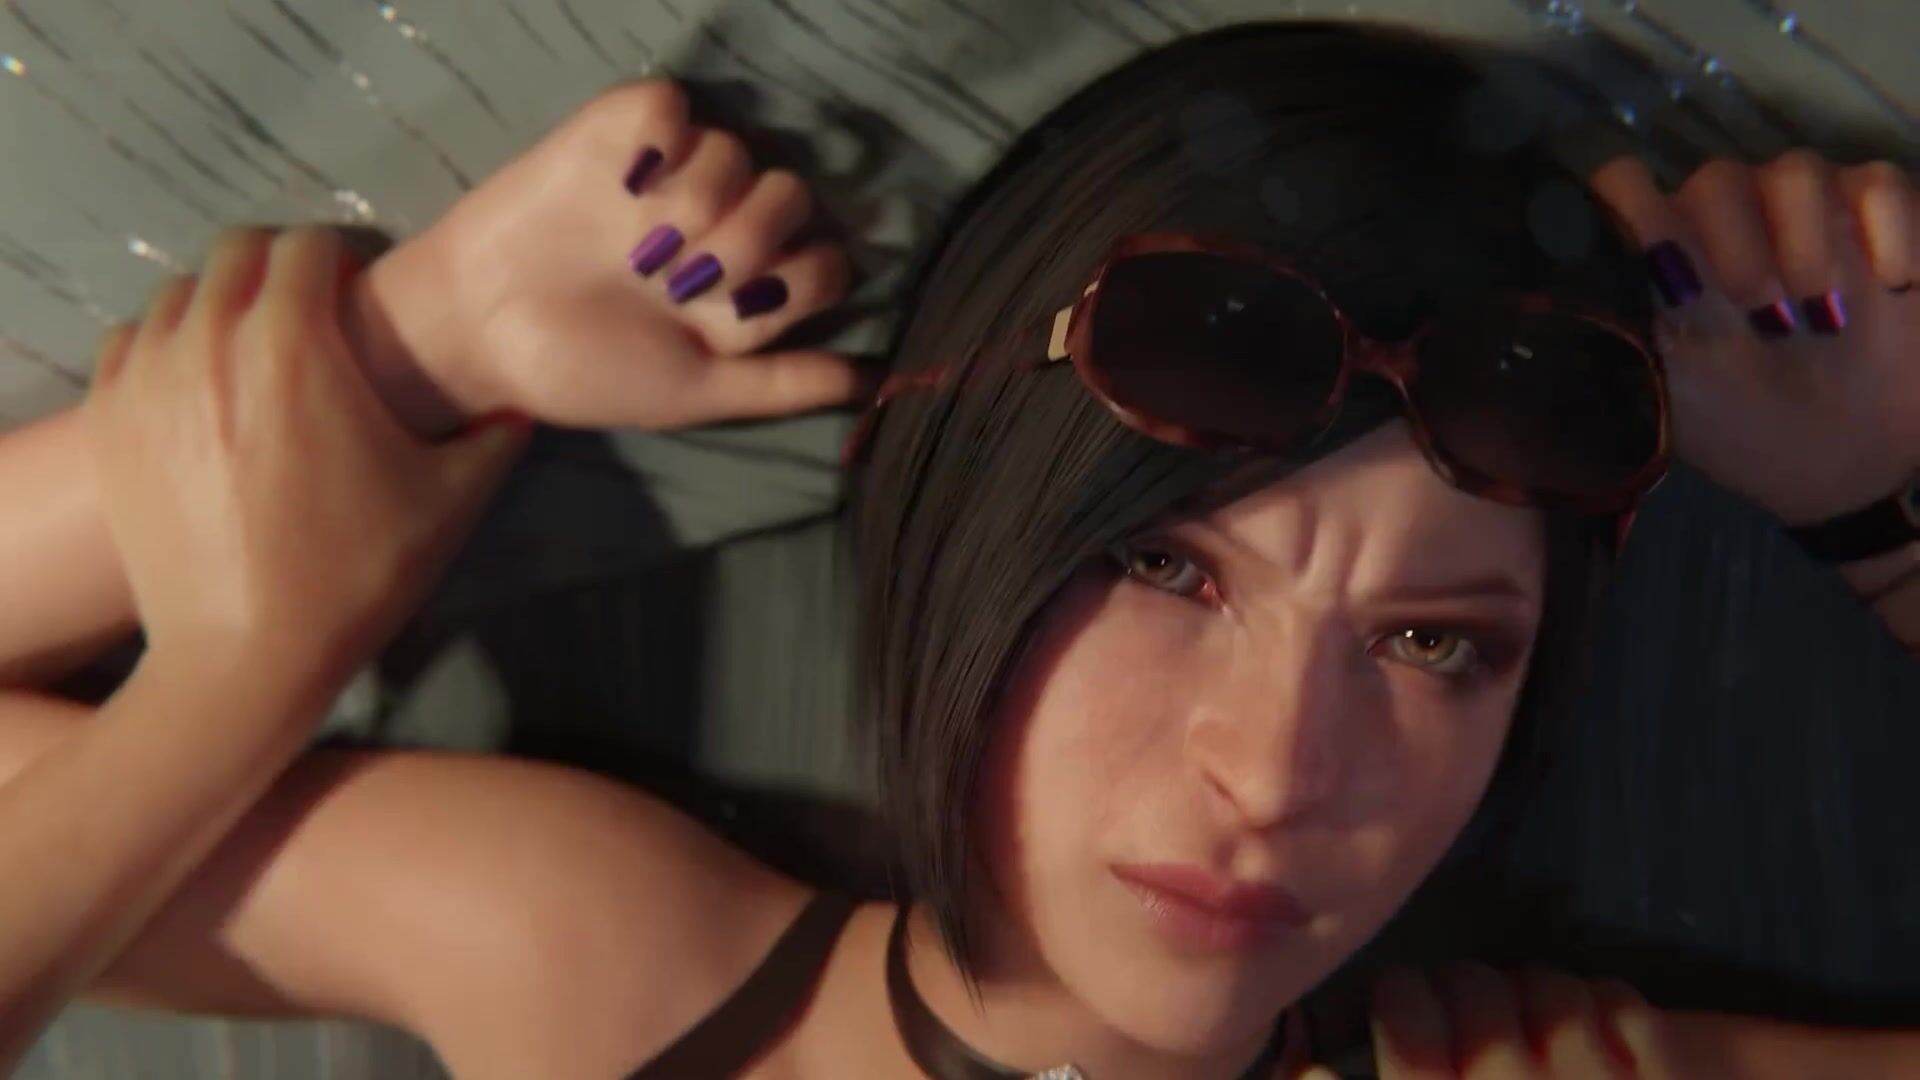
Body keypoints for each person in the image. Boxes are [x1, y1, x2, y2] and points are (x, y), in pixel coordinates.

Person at [0, 20, 1916, 1080]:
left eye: (1435, 645)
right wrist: (419, 356)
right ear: (968, 532)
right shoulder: (617, 974)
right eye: (1168, 572)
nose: (1274, 776)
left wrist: (1884, 508)